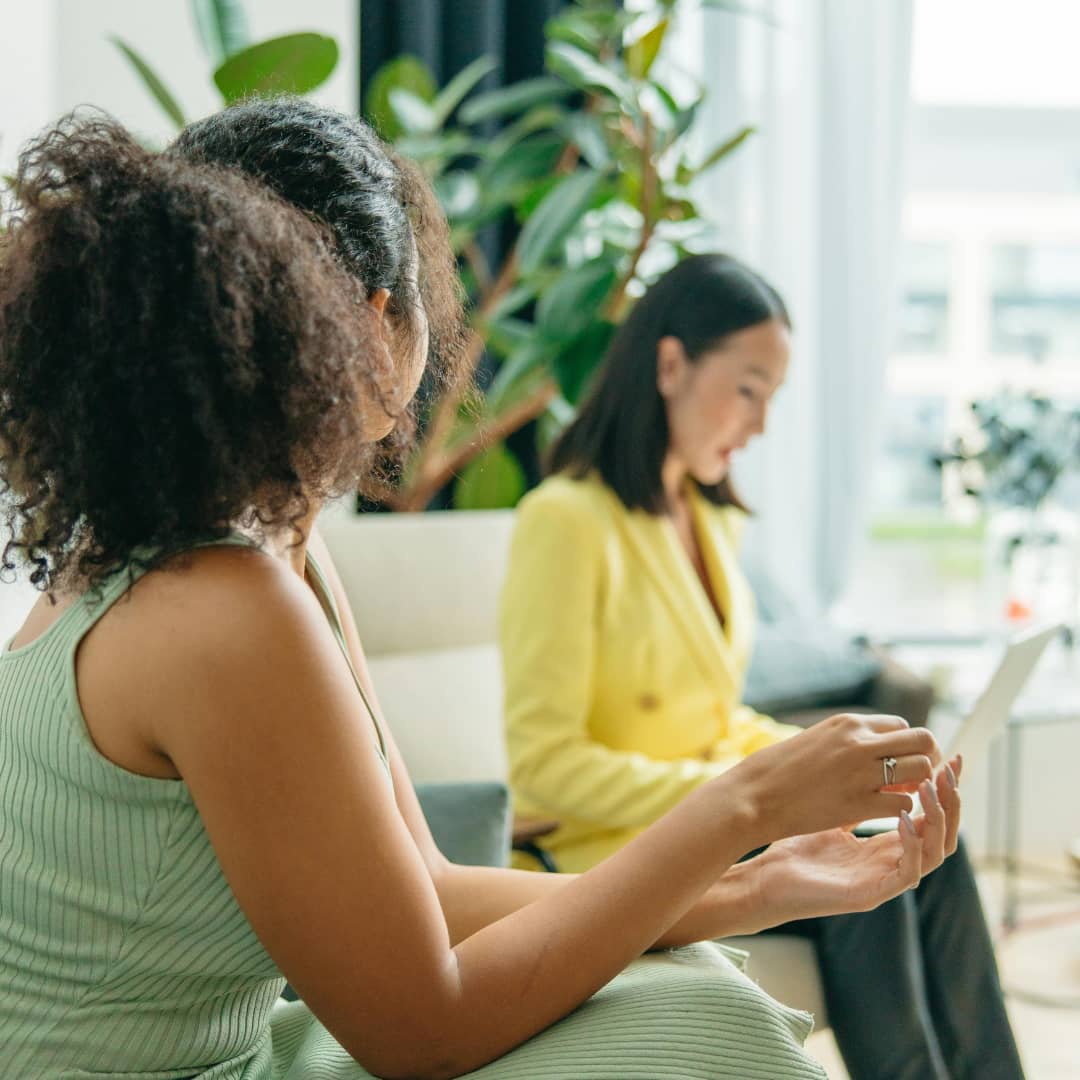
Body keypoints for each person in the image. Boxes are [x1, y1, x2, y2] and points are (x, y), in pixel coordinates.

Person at [0, 102, 959, 1080]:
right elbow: (420, 1031)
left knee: (700, 990)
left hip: (223, 1050)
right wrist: (742, 810)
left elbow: (425, 887)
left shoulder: (229, 550)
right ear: (376, 323)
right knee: (714, 1030)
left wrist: (750, 889)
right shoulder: (226, 610)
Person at [499, 253, 1024, 1080]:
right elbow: (543, 766)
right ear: (671, 364)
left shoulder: (707, 521)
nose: (761, 423)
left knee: (923, 850)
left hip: (727, 829)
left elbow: (714, 718)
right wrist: (754, 800)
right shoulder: (564, 523)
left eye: (772, 396)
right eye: (749, 389)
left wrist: (831, 770)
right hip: (625, 856)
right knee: (864, 880)